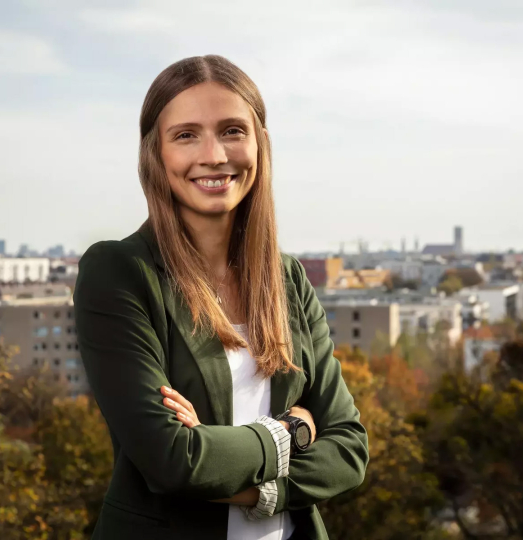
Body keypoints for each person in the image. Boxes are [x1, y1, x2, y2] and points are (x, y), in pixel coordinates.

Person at [74, 54, 368, 540]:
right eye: (186, 135)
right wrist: (291, 431)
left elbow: (349, 451)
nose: (213, 155)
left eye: (232, 130)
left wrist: (249, 485)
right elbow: (172, 462)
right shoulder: (121, 273)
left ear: (260, 146)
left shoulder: (286, 279)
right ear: (155, 153)